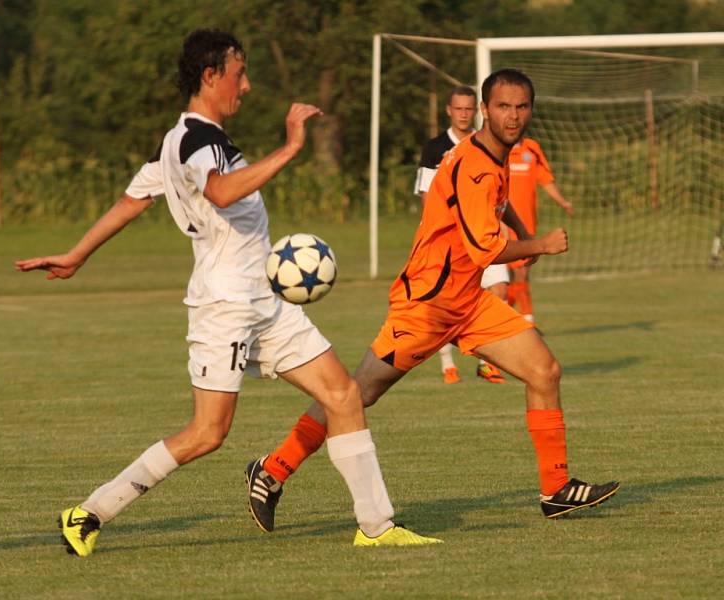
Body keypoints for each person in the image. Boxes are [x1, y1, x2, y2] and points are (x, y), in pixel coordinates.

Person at [15, 29, 440, 555]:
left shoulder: (182, 140)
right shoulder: (196, 140)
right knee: (207, 433)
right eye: (240, 74)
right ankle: (90, 512)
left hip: (264, 300)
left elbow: (132, 200)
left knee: (343, 393)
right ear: (211, 76)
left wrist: (77, 254)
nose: (247, 85)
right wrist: (291, 147)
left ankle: (376, 525)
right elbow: (219, 191)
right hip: (225, 306)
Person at [245, 69, 620, 535]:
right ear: (485, 108)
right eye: (503, 106)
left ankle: (556, 489)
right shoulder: (474, 164)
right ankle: (272, 470)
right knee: (356, 394)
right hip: (427, 303)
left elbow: (499, 204)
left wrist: (523, 232)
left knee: (544, 370)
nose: (513, 115)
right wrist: (540, 245)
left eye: (522, 106)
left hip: (468, 301)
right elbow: (486, 248)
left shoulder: (495, 155)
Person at [415, 86, 508, 385]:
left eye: (469, 108)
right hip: (451, 241)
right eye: (459, 109)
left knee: (500, 290)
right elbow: (427, 194)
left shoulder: (487, 144)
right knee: (449, 303)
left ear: (477, 109)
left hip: (485, 233)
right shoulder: (435, 148)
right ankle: (447, 364)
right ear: (449, 111)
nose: (464, 114)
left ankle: (486, 362)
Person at [506, 138, 574, 325]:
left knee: (520, 275)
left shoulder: (532, 148)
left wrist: (563, 201)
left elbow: (545, 179)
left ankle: (515, 320)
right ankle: (524, 321)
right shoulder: (498, 148)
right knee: (506, 281)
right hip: (500, 225)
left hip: (526, 226)